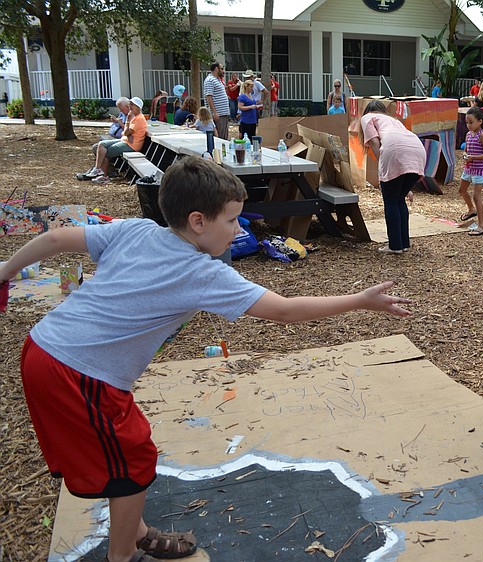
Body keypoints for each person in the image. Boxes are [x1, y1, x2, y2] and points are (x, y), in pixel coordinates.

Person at [0, 156, 411, 562]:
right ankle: (122, 555)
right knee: (132, 461)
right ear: (198, 221)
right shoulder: (200, 272)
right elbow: (285, 310)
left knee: (123, 452)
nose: (239, 229)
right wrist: (359, 300)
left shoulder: (137, 230)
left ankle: (135, 532)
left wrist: (4, 271)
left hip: (44, 346)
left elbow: (56, 240)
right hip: (77, 372)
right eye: (231, 220)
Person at [360, 100, 427, 254]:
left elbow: (374, 143)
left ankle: (395, 245)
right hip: (417, 150)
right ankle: (403, 243)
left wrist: (383, 170)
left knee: (390, 201)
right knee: (399, 199)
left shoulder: (367, 118)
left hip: (395, 150)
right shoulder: (393, 120)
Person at [88, 97, 148, 185]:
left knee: (105, 152)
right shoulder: (134, 117)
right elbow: (126, 133)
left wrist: (127, 121)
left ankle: (104, 176)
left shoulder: (139, 119)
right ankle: (97, 169)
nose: (130, 107)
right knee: (101, 144)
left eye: (132, 105)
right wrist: (127, 131)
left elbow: (126, 132)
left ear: (138, 107)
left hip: (132, 145)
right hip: (125, 141)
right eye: (130, 104)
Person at [458, 107, 483, 236]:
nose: (469, 125)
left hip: (479, 170)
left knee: (476, 196)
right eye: (467, 122)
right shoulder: (468, 134)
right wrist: (465, 155)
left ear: (480, 121)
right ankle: (471, 209)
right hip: (469, 168)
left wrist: (473, 158)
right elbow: (466, 150)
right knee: (462, 190)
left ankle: (482, 225)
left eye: (471, 122)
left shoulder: (482, 135)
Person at [204, 62, 230, 140]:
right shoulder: (210, 80)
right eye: (221, 69)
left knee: (224, 137)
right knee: (219, 137)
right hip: (218, 114)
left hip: (223, 113)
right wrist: (215, 112)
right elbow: (209, 97)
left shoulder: (218, 80)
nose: (223, 71)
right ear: (216, 69)